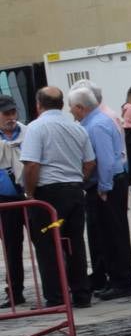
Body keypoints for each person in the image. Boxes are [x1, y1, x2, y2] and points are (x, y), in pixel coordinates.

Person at [19, 86, 95, 310]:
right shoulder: (77, 128)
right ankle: (81, 294)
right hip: (73, 191)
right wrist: (77, 179)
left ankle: (55, 297)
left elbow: (32, 164)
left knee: (47, 245)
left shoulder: (36, 128)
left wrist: (30, 193)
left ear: (38, 105)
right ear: (62, 105)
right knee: (75, 243)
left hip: (48, 195)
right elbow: (90, 162)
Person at [67, 85, 131, 300]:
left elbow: (105, 160)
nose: (70, 111)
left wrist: (104, 188)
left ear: (80, 107)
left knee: (114, 234)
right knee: (106, 234)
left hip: (109, 185)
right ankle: (115, 279)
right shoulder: (96, 122)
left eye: (71, 107)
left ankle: (122, 281)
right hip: (109, 183)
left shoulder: (96, 126)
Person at [0, 97, 26, 307]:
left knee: (45, 243)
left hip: (31, 195)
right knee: (11, 247)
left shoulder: (27, 132)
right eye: (6, 114)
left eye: (13, 113)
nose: (11, 118)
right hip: (6, 201)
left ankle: (58, 288)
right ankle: (15, 292)